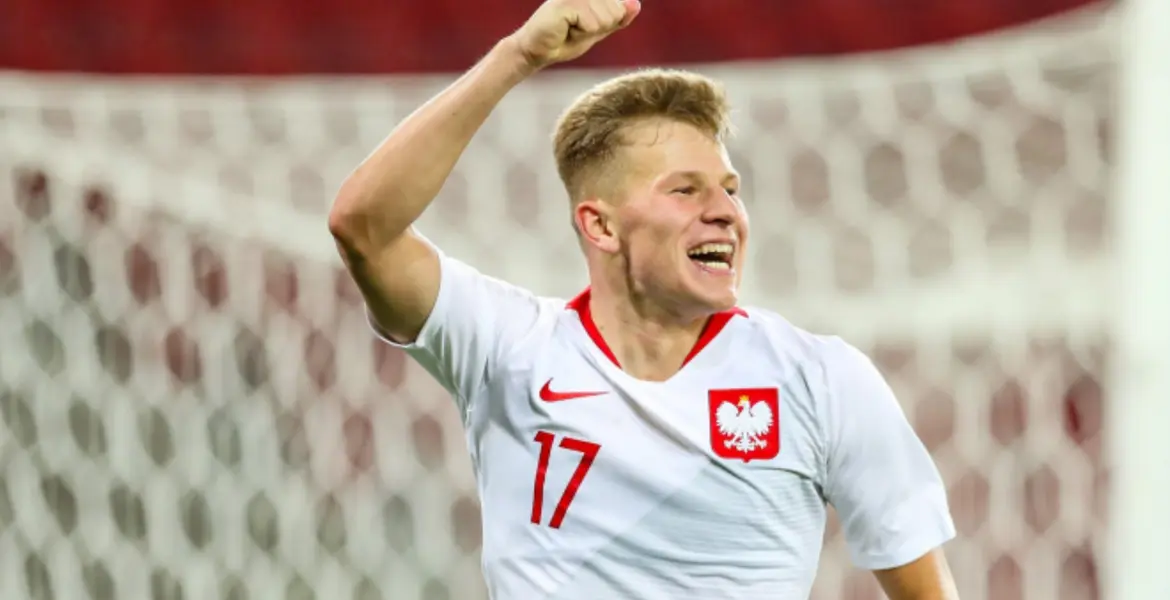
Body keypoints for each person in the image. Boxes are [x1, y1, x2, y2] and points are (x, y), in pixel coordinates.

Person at [329, 0, 959, 597]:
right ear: (600, 226)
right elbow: (364, 228)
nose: (725, 213)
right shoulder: (508, 348)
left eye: (730, 189)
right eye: (685, 191)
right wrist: (516, 56)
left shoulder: (822, 379)